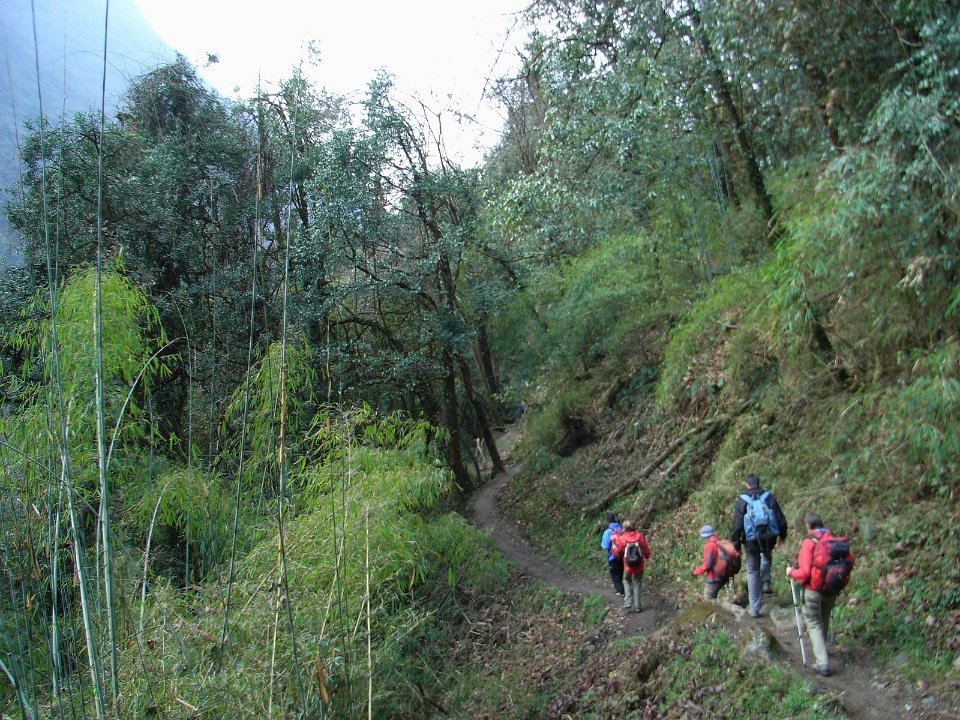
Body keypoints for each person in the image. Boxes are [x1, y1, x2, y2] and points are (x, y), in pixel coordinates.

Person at [786, 512, 854, 677]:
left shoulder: (809, 542)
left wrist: (790, 572)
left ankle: (822, 663)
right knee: (823, 620)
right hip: (832, 589)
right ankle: (822, 651)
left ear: (808, 526)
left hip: (813, 590)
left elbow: (804, 573)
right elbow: (850, 562)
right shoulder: (835, 541)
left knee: (813, 623)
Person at [731, 473, 787, 617]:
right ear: (758, 483)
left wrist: (736, 545)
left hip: (751, 541)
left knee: (752, 571)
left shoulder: (742, 500)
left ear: (746, 485)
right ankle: (766, 582)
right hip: (769, 537)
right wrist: (782, 536)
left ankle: (755, 608)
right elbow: (780, 519)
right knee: (767, 556)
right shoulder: (769, 497)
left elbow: (737, 525)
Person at [612, 520, 650, 612]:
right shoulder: (639, 536)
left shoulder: (623, 538)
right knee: (637, 583)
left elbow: (618, 551)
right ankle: (637, 606)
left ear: (624, 529)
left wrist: (615, 547)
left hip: (628, 565)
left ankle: (628, 602)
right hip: (639, 564)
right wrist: (646, 556)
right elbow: (646, 550)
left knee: (626, 580)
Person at [692, 525, 727, 599]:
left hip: (714, 577)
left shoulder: (709, 545)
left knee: (708, 600)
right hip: (723, 574)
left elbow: (707, 565)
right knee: (713, 598)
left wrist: (695, 572)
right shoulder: (719, 541)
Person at [601, 512, 624, 596]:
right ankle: (620, 589)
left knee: (615, 575)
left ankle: (621, 591)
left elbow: (605, 545)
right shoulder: (621, 529)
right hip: (622, 555)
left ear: (607, 521)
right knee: (620, 572)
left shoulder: (608, 532)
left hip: (612, 556)